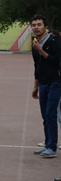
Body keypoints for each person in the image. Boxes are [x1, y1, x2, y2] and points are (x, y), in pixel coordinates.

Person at [31, 15, 61, 158]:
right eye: (34, 25)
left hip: (55, 82)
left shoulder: (54, 41)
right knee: (45, 114)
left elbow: (55, 61)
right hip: (42, 83)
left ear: (45, 27)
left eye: (39, 24)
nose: (36, 27)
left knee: (51, 114)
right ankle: (48, 143)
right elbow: (37, 66)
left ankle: (52, 147)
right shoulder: (35, 44)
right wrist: (35, 86)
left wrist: (40, 50)